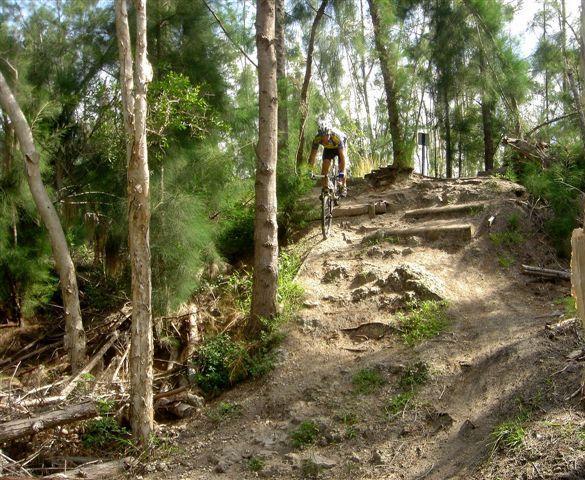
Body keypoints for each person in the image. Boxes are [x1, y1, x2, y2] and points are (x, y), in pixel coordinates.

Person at [308, 121, 348, 197]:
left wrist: (342, 172)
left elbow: (342, 158)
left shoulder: (336, 137)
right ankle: (325, 189)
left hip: (340, 147)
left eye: (326, 136)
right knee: (325, 165)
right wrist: (310, 170)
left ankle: (343, 186)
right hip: (328, 149)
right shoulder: (317, 139)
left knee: (342, 167)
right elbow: (312, 156)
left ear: (329, 134)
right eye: (322, 136)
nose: (324, 138)